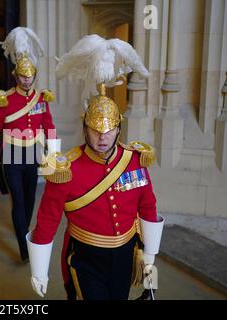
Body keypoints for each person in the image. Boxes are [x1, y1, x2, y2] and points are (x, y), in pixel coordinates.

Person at [26, 34, 165, 300]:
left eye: (109, 130)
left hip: (125, 254)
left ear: (118, 129)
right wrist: (39, 270)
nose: (102, 137)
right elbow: (48, 220)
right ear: (84, 128)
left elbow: (147, 206)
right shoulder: (64, 168)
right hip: (85, 257)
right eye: (95, 130)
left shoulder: (134, 160)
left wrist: (149, 256)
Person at [0, 27, 61, 262]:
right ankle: (24, 247)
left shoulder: (41, 99)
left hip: (33, 154)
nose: (27, 79)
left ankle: (23, 229)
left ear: (34, 74)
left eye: (30, 75)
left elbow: (49, 125)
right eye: (23, 76)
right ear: (16, 75)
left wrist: (53, 153)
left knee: (29, 198)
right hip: (11, 155)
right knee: (18, 199)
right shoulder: (5, 99)